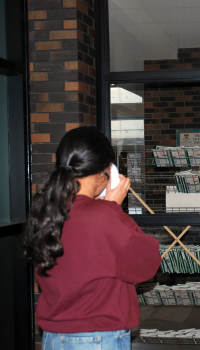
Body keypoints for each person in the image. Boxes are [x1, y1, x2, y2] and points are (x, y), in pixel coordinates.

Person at [22, 127, 162, 349]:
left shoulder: (46, 211)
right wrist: (113, 207)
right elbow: (146, 263)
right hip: (97, 338)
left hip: (54, 336)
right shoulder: (104, 215)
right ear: (104, 171)